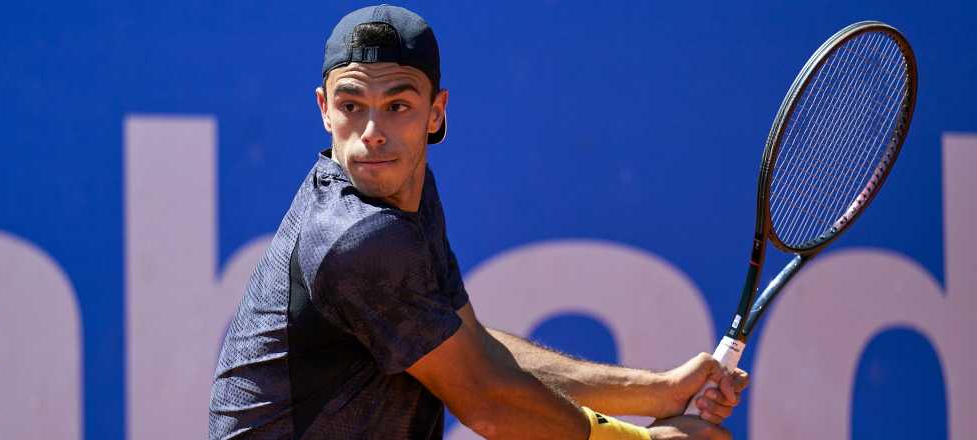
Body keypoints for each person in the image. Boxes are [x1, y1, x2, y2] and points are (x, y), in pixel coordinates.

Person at [209, 5, 748, 439]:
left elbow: (474, 350)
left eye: (397, 106)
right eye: (352, 105)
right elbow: (486, 402)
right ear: (324, 109)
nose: (372, 131)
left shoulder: (408, 198)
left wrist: (656, 392)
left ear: (436, 112)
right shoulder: (361, 239)